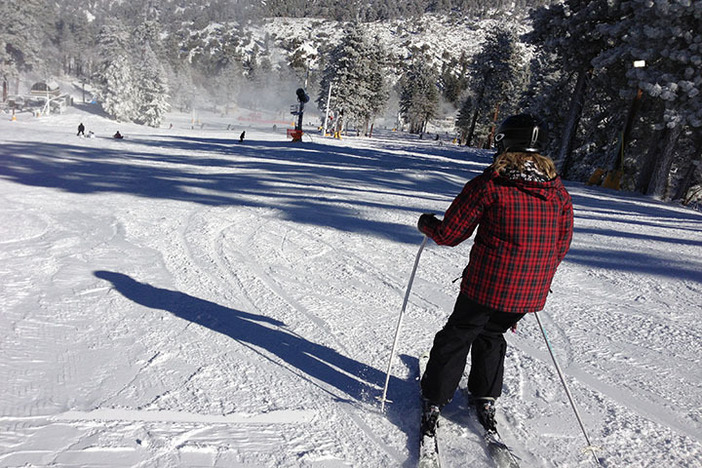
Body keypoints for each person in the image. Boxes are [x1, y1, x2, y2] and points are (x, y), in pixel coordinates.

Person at [417, 114, 574, 437]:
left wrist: (426, 224)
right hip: (528, 292)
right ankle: (484, 395)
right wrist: (535, 273)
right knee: (491, 334)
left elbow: (450, 233)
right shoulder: (557, 192)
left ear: (504, 143)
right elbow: (562, 243)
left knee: (458, 334)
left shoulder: (490, 185)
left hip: (487, 285)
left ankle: (435, 397)